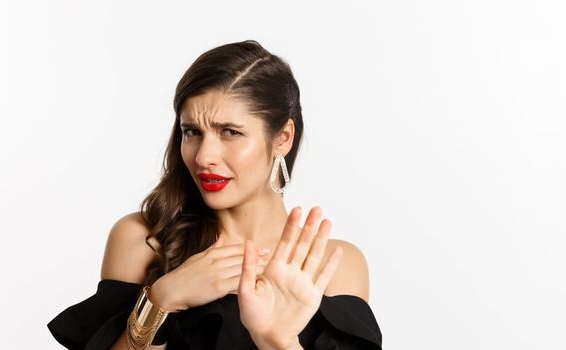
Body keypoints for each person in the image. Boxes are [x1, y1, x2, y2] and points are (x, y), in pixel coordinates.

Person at [47, 40, 382, 349]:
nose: (203, 156)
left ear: (283, 138)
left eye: (230, 132)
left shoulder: (334, 265)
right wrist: (163, 299)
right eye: (192, 131)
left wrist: (275, 340)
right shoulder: (143, 240)